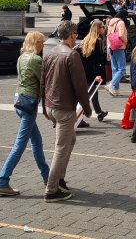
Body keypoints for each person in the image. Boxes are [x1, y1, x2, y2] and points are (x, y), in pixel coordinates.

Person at [41, 20, 91, 203]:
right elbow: (80, 86)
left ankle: (59, 179)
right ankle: (52, 189)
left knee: (70, 140)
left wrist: (44, 107)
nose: (76, 36)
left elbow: (43, 82)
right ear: (71, 35)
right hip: (64, 107)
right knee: (61, 148)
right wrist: (87, 108)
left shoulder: (50, 53)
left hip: (51, 106)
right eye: (76, 34)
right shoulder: (71, 55)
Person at [0, 32, 50, 197]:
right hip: (29, 103)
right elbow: (45, 81)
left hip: (18, 100)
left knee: (37, 141)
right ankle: (2, 181)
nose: (43, 45)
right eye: (42, 42)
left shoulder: (22, 57)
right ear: (36, 43)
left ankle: (47, 176)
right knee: (20, 145)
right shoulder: (36, 60)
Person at [75, 19, 108, 126]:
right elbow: (96, 60)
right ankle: (77, 118)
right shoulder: (98, 40)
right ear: (98, 29)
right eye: (102, 27)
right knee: (87, 96)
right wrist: (96, 74)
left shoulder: (86, 39)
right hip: (93, 73)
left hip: (85, 71)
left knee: (92, 92)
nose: (104, 28)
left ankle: (99, 112)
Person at [104, 9, 128, 97]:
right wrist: (125, 42)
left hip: (111, 47)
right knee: (122, 69)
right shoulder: (121, 23)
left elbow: (108, 37)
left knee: (114, 69)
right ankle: (111, 84)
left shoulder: (110, 23)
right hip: (119, 47)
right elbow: (121, 35)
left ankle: (116, 90)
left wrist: (107, 50)